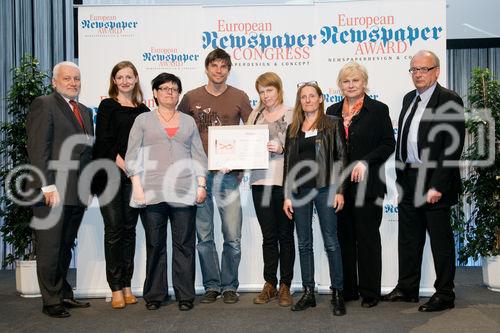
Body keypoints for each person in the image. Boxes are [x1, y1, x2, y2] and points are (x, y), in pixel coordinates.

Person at [382, 50, 465, 312]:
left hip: (434, 181)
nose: (418, 74)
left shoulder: (449, 100)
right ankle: (407, 288)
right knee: (409, 238)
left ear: (436, 71)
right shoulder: (410, 98)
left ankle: (445, 293)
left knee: (440, 241)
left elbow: (451, 148)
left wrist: (437, 186)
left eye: (424, 69)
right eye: (414, 70)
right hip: (409, 177)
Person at [125, 73, 207, 311]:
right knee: (155, 244)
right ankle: (154, 295)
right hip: (152, 192)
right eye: (164, 88)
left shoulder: (188, 121)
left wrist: (201, 184)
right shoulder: (142, 120)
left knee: (184, 245)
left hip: (184, 191)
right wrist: (137, 186)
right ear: (155, 93)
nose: (169, 92)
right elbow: (132, 156)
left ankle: (185, 295)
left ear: (179, 94)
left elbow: (198, 155)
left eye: (174, 89)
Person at [178, 48, 252, 304]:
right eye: (214, 66)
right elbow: (179, 133)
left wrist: (241, 166)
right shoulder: (189, 98)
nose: (218, 70)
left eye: (223, 66)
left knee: (232, 235)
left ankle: (230, 285)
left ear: (228, 70)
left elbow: (252, 134)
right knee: (204, 236)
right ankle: (211, 285)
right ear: (207, 68)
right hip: (198, 176)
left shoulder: (240, 97)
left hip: (228, 177)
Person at [26, 61, 93, 318]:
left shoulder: (84, 111)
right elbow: (38, 149)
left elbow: (86, 153)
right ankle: (51, 300)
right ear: (54, 81)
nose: (73, 83)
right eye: (67, 78)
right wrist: (46, 187)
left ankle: (63, 293)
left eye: (77, 78)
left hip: (76, 191)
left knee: (65, 246)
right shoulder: (44, 105)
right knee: (50, 247)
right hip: (52, 190)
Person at [326, 62, 395, 308]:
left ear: (364, 83)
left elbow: (388, 144)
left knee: (367, 239)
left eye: (355, 80)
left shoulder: (377, 109)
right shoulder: (332, 111)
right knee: (344, 238)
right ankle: (349, 290)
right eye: (346, 81)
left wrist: (365, 162)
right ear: (340, 85)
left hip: (369, 185)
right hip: (342, 188)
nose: (351, 85)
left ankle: (370, 292)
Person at [283, 81, 348, 315]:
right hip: (300, 191)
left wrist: (339, 190)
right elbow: (289, 163)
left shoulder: (332, 124)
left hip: (325, 189)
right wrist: (287, 195)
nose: (308, 100)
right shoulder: (294, 127)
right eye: (303, 97)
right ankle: (308, 292)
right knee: (304, 243)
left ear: (321, 98)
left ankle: (338, 292)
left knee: (331, 241)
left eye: (312, 96)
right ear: (300, 101)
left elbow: (341, 157)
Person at [92, 61, 149, 309]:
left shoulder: (144, 110)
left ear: (136, 79)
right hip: (110, 175)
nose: (125, 81)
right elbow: (104, 141)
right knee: (114, 230)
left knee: (129, 230)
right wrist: (126, 166)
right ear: (114, 81)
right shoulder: (107, 106)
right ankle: (115, 286)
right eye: (120, 77)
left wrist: (136, 172)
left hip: (134, 180)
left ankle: (126, 284)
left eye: (129, 76)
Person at [247, 72, 295, 307]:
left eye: (269, 90)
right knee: (269, 236)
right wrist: (230, 161)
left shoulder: (292, 113)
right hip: (259, 182)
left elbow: (300, 148)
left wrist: (283, 147)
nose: (265, 95)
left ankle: (286, 284)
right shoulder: (254, 116)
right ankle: (270, 283)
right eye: (261, 91)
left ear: (279, 90)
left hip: (284, 183)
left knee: (286, 235)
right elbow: (243, 146)